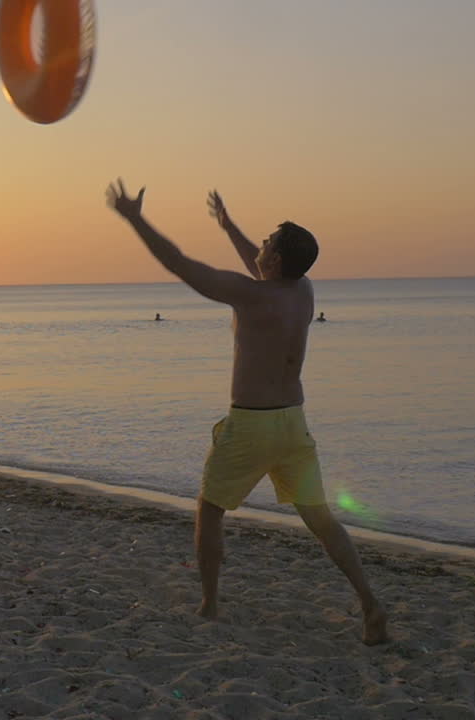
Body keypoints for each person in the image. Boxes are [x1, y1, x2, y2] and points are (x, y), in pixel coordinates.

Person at [108, 180, 386, 644]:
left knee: (210, 510)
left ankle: (210, 604)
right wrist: (227, 225)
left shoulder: (253, 297)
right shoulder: (301, 291)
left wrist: (135, 218)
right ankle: (371, 605)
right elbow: (262, 269)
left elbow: (181, 265)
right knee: (320, 519)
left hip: (251, 426)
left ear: (274, 259)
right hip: (293, 425)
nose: (260, 245)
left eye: (266, 242)